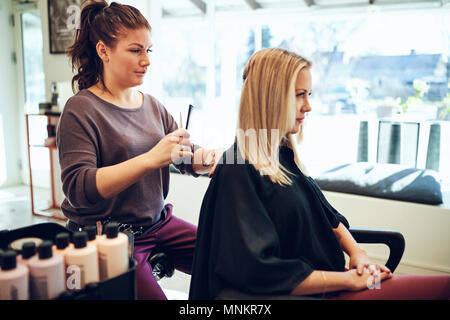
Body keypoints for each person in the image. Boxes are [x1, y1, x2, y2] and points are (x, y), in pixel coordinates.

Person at [188, 48, 450, 300]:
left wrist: (358, 253)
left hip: (330, 284)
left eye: (309, 94)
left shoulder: (281, 155)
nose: (308, 106)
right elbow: (257, 272)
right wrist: (348, 280)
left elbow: (329, 217)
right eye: (300, 95)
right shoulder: (239, 168)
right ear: (272, 98)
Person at [58, 0, 218, 300]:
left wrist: (202, 160)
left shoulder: (152, 104)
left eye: (149, 50)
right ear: (104, 51)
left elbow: (180, 153)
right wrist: (148, 160)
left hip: (160, 224)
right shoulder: (80, 109)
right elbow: (79, 187)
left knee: (230, 259)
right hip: (109, 237)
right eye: (135, 50)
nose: (146, 60)